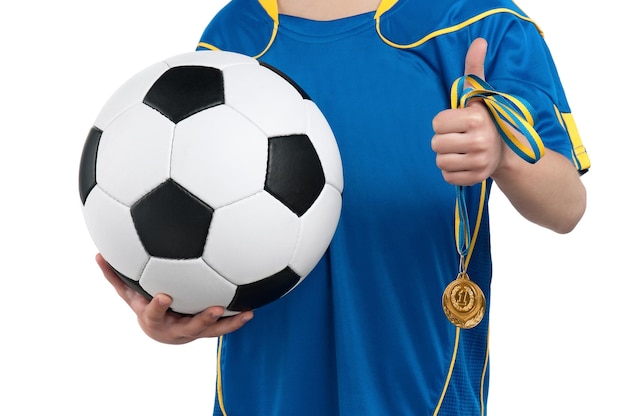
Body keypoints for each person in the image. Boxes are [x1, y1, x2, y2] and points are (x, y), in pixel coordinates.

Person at [97, 0, 589, 414]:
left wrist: (504, 155)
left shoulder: (477, 22)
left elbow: (566, 207)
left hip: (420, 388)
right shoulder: (236, 33)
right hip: (264, 392)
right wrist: (174, 301)